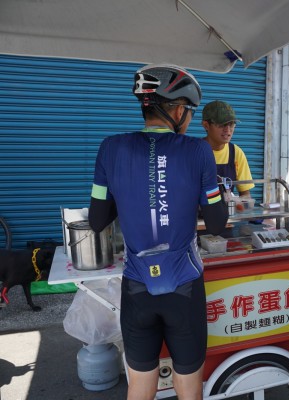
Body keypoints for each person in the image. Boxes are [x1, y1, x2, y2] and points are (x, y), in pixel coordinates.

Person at [88, 64, 228, 400]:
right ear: (178, 109)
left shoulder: (110, 148)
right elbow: (218, 223)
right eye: (190, 112)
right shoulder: (198, 151)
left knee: (139, 386)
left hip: (137, 286)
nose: (191, 119)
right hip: (184, 285)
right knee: (189, 385)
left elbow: (96, 220)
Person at [202, 100, 254, 197]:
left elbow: (245, 195)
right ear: (206, 125)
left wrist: (241, 204)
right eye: (221, 124)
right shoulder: (195, 151)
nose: (227, 130)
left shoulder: (236, 153)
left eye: (231, 124)